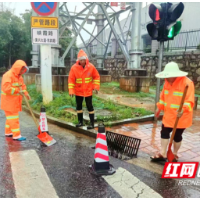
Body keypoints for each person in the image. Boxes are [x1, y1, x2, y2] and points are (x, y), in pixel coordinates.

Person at [151, 62, 195, 162]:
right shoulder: (166, 83)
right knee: (164, 132)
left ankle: (174, 154)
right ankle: (162, 153)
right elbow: (163, 97)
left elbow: (190, 101)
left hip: (181, 117)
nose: (169, 77)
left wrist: (183, 109)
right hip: (169, 115)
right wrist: (159, 108)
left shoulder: (187, 83)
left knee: (177, 136)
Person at [68, 49, 100, 130]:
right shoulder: (74, 68)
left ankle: (92, 123)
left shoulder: (91, 67)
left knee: (90, 107)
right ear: (78, 60)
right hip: (78, 91)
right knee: (79, 106)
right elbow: (71, 80)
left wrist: (95, 87)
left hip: (88, 91)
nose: (82, 61)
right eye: (81, 60)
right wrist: (71, 91)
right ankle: (80, 122)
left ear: (86, 59)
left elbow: (96, 76)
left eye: (83, 60)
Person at [1, 60, 31, 141]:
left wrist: (26, 93)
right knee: (14, 119)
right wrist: (18, 91)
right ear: (17, 68)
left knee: (10, 118)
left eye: (23, 70)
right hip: (9, 102)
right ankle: (16, 135)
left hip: (13, 102)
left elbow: (22, 86)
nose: (22, 71)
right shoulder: (8, 75)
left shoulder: (19, 76)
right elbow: (6, 88)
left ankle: (8, 132)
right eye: (21, 69)